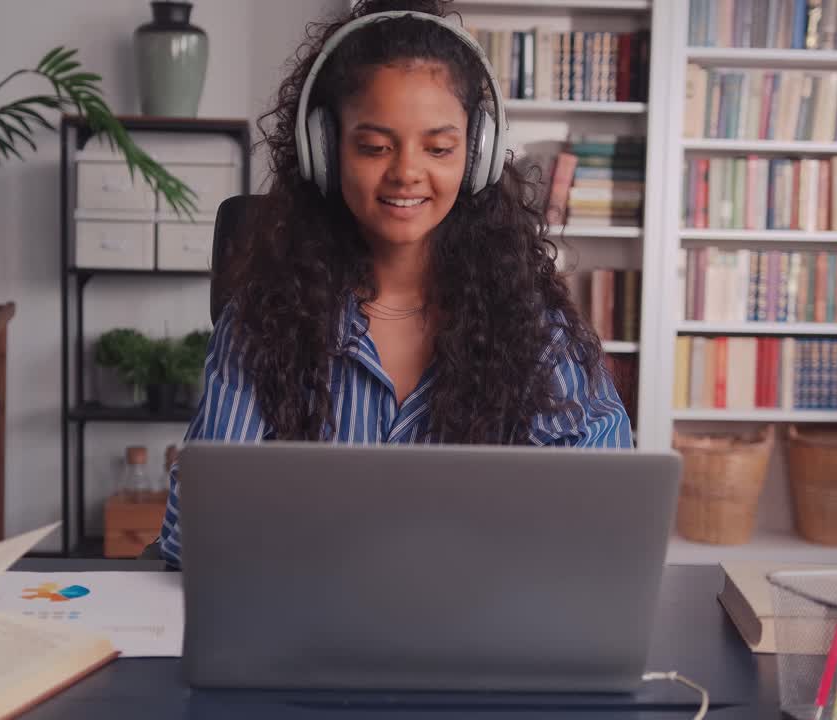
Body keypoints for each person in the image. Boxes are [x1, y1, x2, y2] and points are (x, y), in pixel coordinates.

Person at [157, 0, 632, 569]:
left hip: (477, 634)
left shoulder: (536, 331)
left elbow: (602, 516)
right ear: (324, 152)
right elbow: (197, 530)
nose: (407, 171)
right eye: (375, 146)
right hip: (308, 635)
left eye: (438, 148)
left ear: (475, 155)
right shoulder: (262, 324)